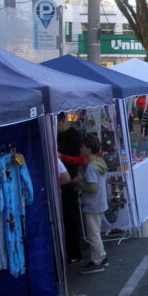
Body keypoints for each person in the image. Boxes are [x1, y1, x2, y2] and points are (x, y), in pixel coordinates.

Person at [74, 135, 108, 274]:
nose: (80, 149)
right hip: (99, 202)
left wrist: (79, 182)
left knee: (93, 233)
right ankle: (101, 256)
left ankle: (97, 260)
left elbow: (92, 188)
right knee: (96, 232)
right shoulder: (99, 162)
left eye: (82, 147)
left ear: (88, 149)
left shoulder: (91, 167)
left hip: (92, 203)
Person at [57, 112, 84, 264]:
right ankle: (65, 251)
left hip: (70, 183)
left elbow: (82, 159)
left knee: (70, 218)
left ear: (62, 120)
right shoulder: (53, 135)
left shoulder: (73, 135)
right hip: (59, 182)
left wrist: (78, 174)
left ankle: (75, 252)